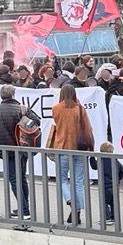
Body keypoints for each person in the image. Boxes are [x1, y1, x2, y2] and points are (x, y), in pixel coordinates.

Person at [47, 83, 94, 225]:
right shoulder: (80, 109)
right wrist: (91, 147)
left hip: (63, 147)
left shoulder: (55, 109)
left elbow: (57, 124)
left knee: (62, 179)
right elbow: (88, 129)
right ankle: (77, 211)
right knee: (78, 181)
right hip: (79, 148)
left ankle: (69, 199)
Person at [0, 84, 33, 219]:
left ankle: (24, 209)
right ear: (13, 95)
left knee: (14, 179)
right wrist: (23, 123)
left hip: (6, 149)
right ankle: (24, 207)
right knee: (21, 177)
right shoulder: (22, 109)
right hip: (22, 147)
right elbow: (36, 121)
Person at [88, 140, 123, 226]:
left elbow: (94, 166)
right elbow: (121, 170)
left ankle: (107, 218)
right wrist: (118, 179)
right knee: (113, 202)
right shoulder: (115, 160)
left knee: (104, 202)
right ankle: (114, 218)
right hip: (115, 186)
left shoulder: (101, 160)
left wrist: (91, 157)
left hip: (104, 186)